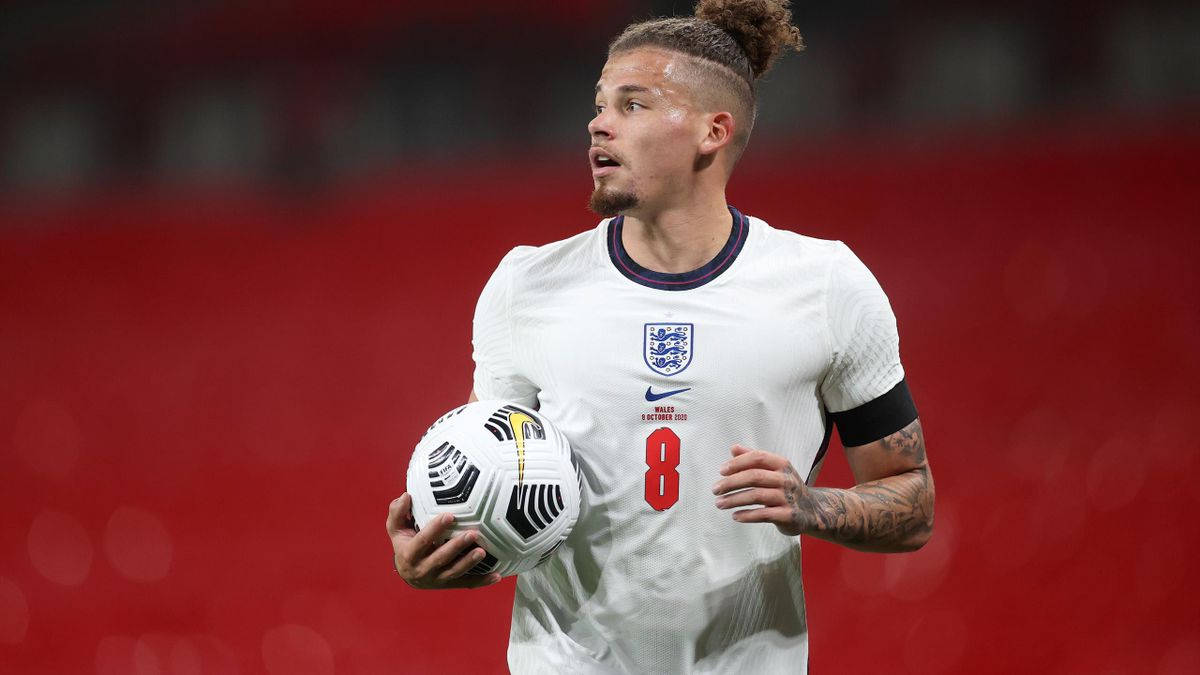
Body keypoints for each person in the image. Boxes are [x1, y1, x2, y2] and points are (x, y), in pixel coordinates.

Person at [387, 0, 935, 671]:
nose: (598, 122)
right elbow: (490, 479)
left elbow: (911, 500)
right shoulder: (524, 287)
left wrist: (814, 505)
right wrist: (438, 554)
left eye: (633, 104)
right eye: (599, 102)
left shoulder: (825, 287)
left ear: (712, 130)